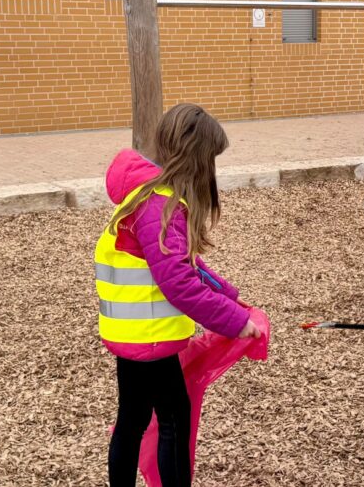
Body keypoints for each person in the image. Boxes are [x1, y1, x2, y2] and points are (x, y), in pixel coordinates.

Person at [95, 103, 261, 486]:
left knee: (133, 419)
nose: (212, 170)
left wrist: (227, 296)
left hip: (133, 333)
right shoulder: (160, 207)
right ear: (194, 158)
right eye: (210, 159)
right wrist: (236, 323)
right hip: (150, 335)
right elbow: (178, 282)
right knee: (173, 417)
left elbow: (184, 265)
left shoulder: (146, 195)